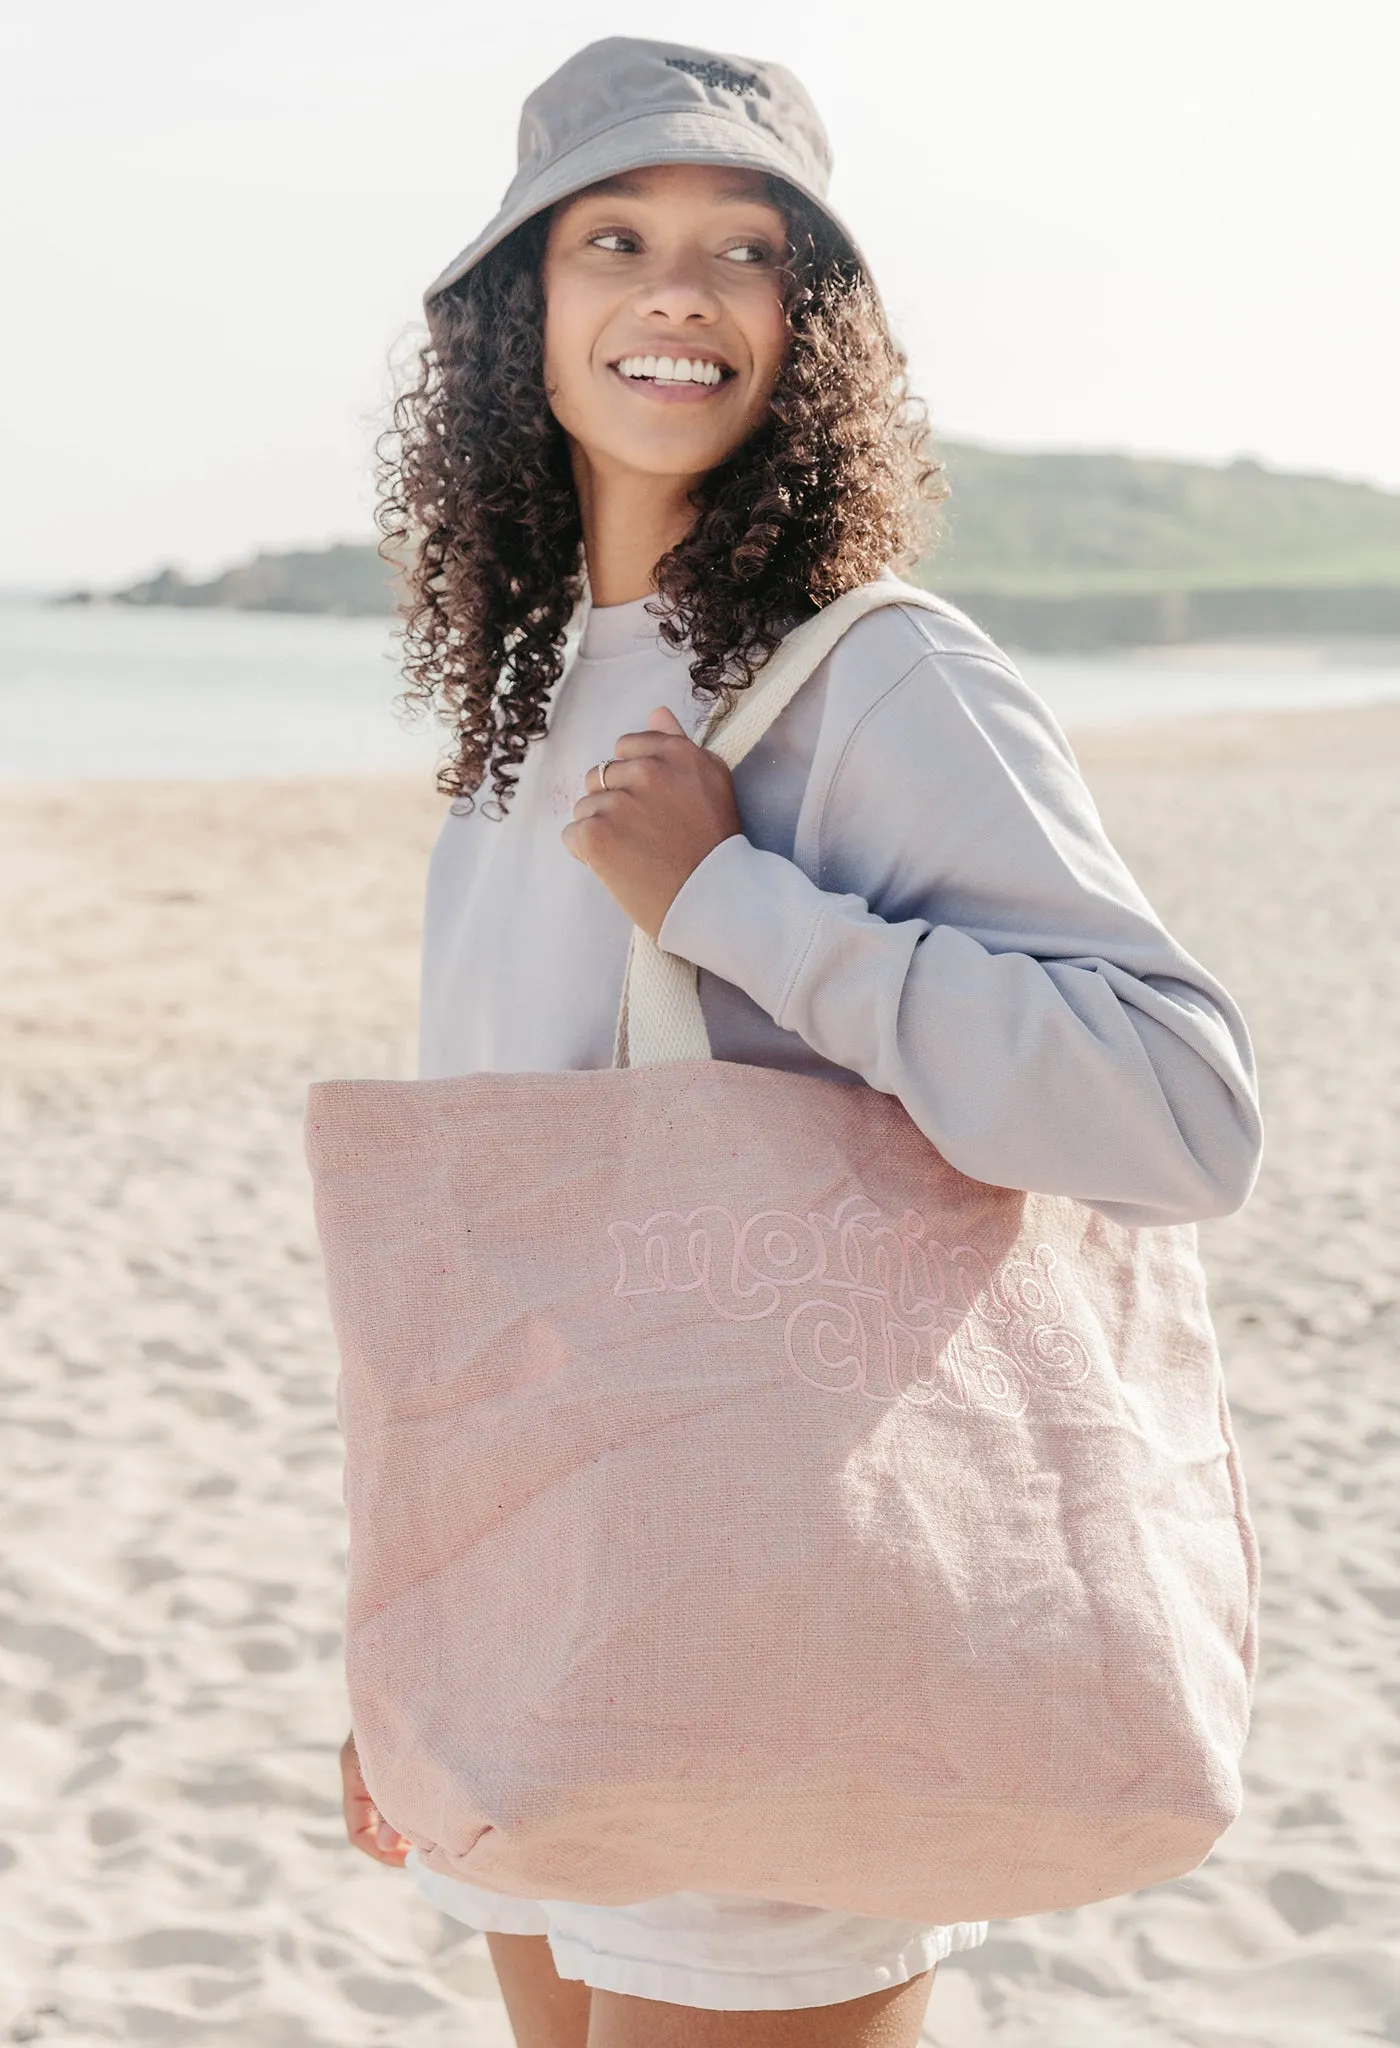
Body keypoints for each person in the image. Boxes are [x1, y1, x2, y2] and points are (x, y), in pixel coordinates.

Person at [338, 36, 1263, 2048]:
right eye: (616, 236)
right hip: (544, 1622)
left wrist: (741, 912)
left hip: (784, 1608)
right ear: (523, 310)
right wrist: (410, 1636)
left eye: (746, 249)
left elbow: (1182, 1109)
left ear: (803, 325)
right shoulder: (526, 706)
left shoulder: (878, 671)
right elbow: (483, 1243)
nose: (680, 286)